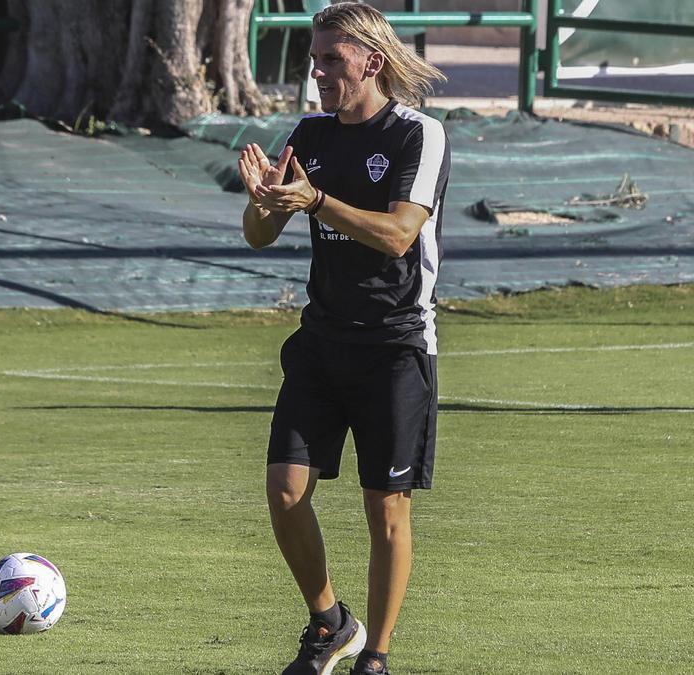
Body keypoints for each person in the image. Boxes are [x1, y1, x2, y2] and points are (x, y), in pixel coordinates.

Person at [237, 3, 450, 674]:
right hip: (321, 341)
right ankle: (330, 621)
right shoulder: (311, 132)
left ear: (372, 62)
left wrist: (317, 201)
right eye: (315, 58)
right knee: (283, 488)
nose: (319, 71)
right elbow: (259, 233)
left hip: (395, 346)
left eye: (332, 58)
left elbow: (397, 236)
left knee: (386, 508)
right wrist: (267, 200)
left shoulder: (420, 134)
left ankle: (377, 656)